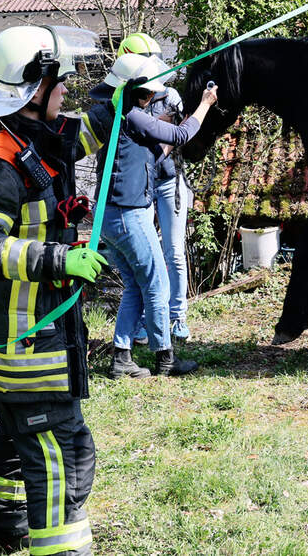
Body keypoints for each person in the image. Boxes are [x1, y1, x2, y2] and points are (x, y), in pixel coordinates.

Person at [0, 24, 107, 556]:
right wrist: (58, 258)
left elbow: (77, 139)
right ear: (34, 87)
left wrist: (121, 93)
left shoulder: (33, 137)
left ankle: (5, 528)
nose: (65, 90)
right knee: (63, 453)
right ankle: (61, 547)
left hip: (23, 338)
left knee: (18, 437)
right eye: (58, 82)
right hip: (24, 344)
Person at [85, 53, 217, 379]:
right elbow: (181, 136)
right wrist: (204, 105)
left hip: (110, 216)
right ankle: (165, 358)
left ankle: (121, 357)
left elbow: (149, 157)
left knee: (134, 285)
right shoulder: (133, 116)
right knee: (157, 283)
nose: (150, 98)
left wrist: (164, 129)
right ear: (135, 93)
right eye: (147, 94)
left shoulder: (117, 117)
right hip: (128, 215)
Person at [116, 33, 193, 346]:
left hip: (168, 181)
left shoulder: (169, 94)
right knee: (146, 258)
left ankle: (178, 316)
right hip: (141, 187)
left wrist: (160, 133)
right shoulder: (122, 100)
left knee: (173, 250)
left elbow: (175, 135)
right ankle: (146, 322)